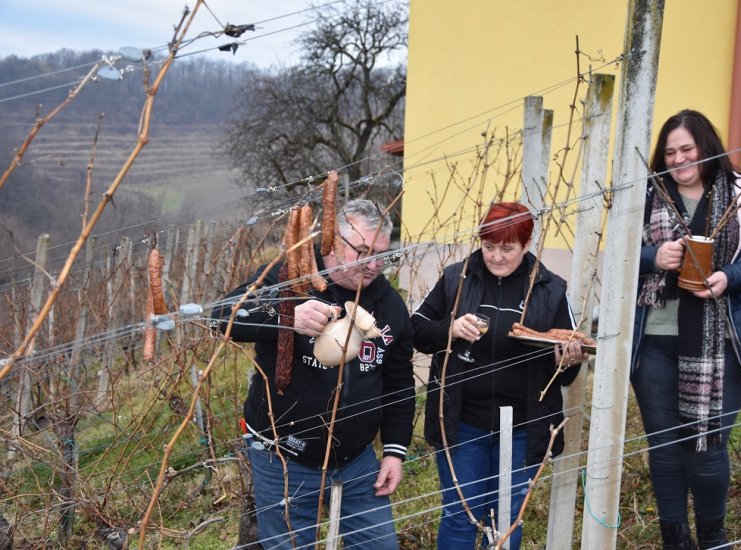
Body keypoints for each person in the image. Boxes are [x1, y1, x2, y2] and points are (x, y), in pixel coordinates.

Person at [631, 109, 741, 549]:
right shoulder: (646, 195)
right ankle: (675, 539)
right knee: (664, 448)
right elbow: (613, 255)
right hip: (655, 341)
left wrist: (730, 276)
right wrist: (653, 258)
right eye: (670, 152)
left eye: (687, 148)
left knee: (705, 446)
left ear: (707, 147)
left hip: (723, 341)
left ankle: (712, 538)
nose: (679, 159)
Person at [211, 199, 415, 549]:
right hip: (283, 457)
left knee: (380, 545)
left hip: (356, 459)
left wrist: (395, 451)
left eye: (382, 254)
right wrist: (286, 320)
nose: (374, 265)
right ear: (333, 242)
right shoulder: (291, 276)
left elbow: (399, 384)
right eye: (363, 252)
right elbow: (221, 317)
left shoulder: (389, 305)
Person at [411, 202, 585, 549]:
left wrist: (571, 360)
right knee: (461, 517)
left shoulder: (550, 289)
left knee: (505, 521)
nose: (497, 257)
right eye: (489, 247)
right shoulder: (456, 279)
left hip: (523, 426)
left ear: (526, 244)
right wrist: (451, 328)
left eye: (508, 249)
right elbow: (416, 329)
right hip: (462, 422)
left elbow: (565, 371)